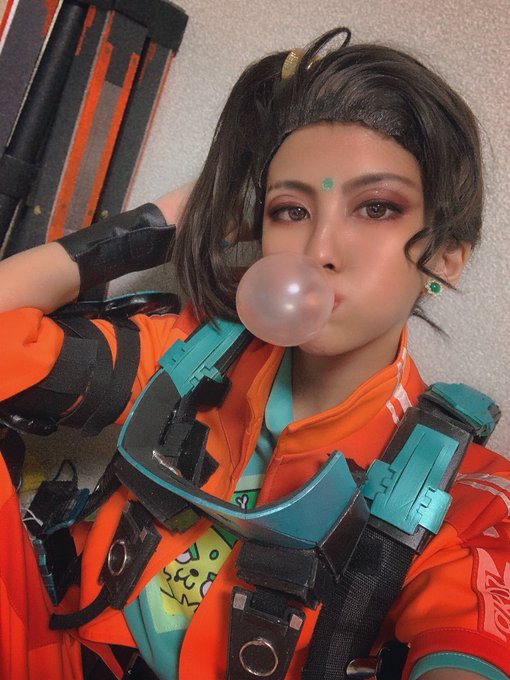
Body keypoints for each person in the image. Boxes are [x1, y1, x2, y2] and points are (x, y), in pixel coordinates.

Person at [0, 25, 509, 680]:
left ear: (446, 255)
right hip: (66, 656)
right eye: (290, 210)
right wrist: (158, 224)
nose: (319, 250)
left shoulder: (457, 491)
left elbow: (468, 639)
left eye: (376, 207)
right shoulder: (191, 354)